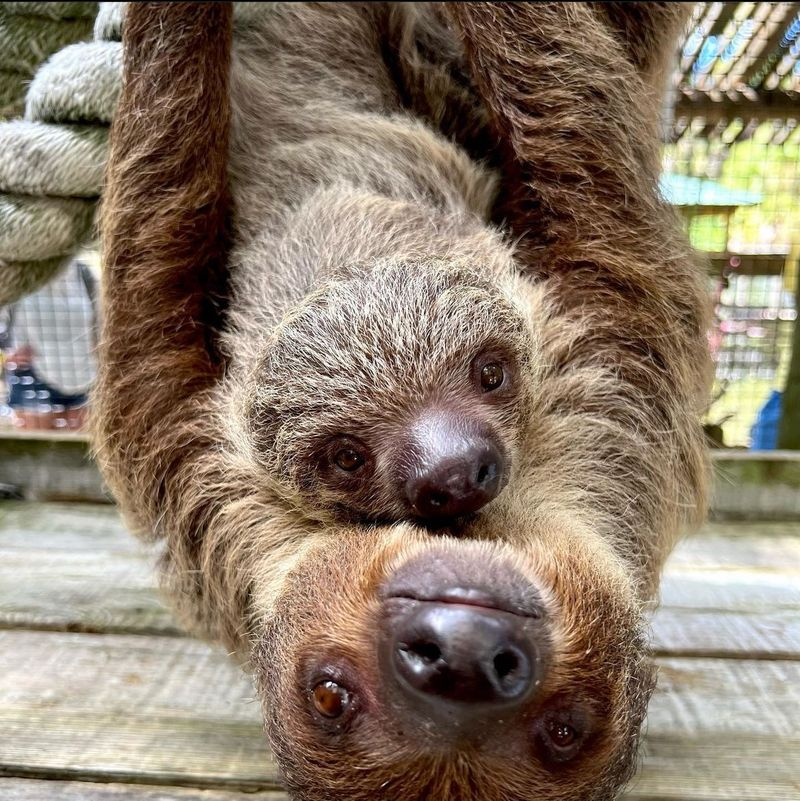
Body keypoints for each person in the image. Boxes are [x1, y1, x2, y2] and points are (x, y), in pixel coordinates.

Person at [1, 258, 98, 430]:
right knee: (34, 451)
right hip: (34, 379)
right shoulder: (16, 272)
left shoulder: (83, 272)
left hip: (85, 378)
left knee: (82, 452)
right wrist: (4, 356)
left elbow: (101, 322)